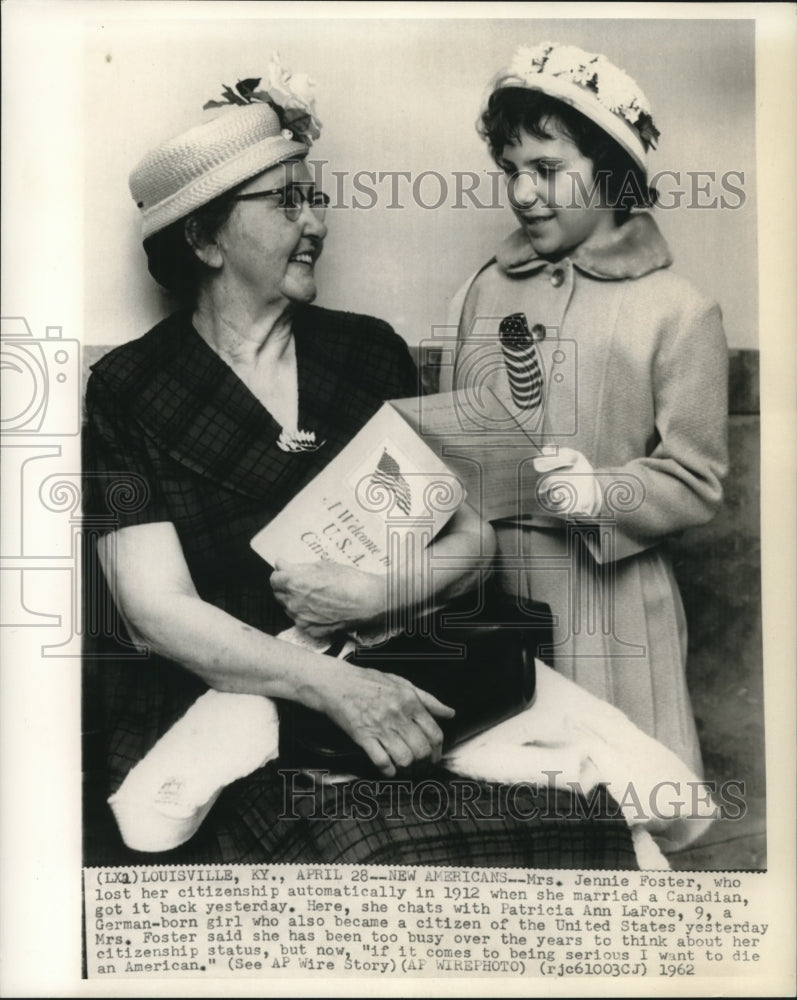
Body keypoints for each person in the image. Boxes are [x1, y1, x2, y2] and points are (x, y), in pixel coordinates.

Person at [82, 63, 637, 868]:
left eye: (316, 198)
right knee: (381, 854)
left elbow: (474, 544)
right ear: (203, 238)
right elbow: (152, 612)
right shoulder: (128, 389)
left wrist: (380, 595)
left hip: (404, 675)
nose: (316, 223)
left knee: (583, 827)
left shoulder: (367, 351)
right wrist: (333, 690)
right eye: (286, 202)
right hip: (233, 707)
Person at [440, 42, 729, 776]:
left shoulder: (676, 309)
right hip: (490, 587)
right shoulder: (482, 291)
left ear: (611, 173)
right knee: (507, 792)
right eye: (511, 172)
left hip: (609, 604)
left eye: (547, 170)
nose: (524, 193)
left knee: (617, 794)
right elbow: (445, 437)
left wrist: (602, 490)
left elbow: (695, 480)